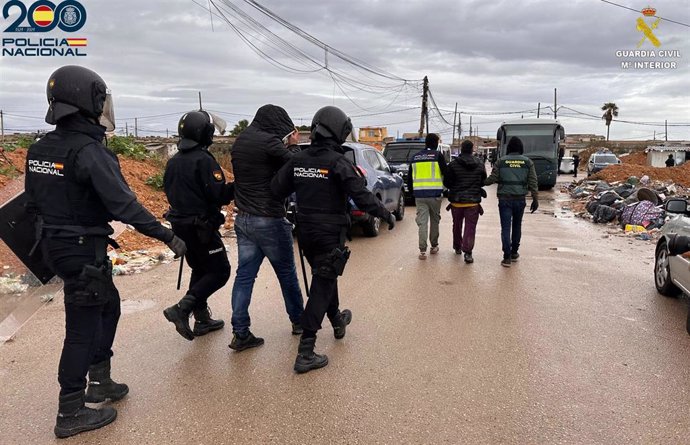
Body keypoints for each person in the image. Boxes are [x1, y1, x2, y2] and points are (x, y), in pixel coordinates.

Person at [24, 66, 187, 438]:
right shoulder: (88, 151)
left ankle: (100, 379)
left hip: (56, 245)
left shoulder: (40, 148)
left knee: (108, 306)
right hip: (81, 250)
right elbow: (124, 205)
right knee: (80, 328)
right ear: (87, 101)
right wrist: (166, 236)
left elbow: (32, 202)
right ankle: (70, 412)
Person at [271, 105, 395, 374]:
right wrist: (386, 214)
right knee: (322, 284)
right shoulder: (339, 162)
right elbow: (362, 196)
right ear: (338, 131)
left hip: (305, 233)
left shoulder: (298, 160)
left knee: (325, 277)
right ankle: (306, 350)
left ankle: (337, 319)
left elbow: (276, 188)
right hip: (329, 234)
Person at [229, 104, 304, 351]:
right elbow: (296, 164)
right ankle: (299, 322)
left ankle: (240, 332)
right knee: (286, 274)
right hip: (269, 219)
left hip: (243, 219)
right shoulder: (270, 142)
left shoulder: (240, 141)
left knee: (244, 276)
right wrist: (292, 143)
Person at [162, 111, 234, 340]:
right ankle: (182, 309)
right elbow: (219, 195)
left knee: (201, 269)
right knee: (220, 271)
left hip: (180, 227)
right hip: (200, 228)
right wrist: (238, 185)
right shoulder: (204, 160)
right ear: (205, 133)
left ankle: (201, 319)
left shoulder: (174, 161)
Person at [484, 136, 538, 267]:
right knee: (517, 226)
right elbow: (533, 182)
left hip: (504, 199)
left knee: (506, 227)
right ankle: (514, 252)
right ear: (521, 148)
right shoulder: (528, 162)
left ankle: (506, 257)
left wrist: (480, 182)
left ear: (508, 148)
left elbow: (492, 178)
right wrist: (535, 199)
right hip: (520, 199)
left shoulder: (501, 161)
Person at [443, 140, 487, 263]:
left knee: (456, 225)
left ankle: (457, 246)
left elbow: (446, 183)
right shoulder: (480, 163)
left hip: (456, 202)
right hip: (473, 202)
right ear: (472, 149)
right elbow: (483, 181)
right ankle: (468, 253)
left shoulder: (452, 165)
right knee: (470, 227)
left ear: (461, 149)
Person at [407, 133, 447, 259]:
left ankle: (422, 251)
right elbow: (446, 173)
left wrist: (413, 192)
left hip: (419, 195)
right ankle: (434, 246)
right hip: (435, 195)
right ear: (435, 143)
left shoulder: (415, 157)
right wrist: (446, 189)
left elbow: (409, 179)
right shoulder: (438, 156)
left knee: (422, 222)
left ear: (426, 143)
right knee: (435, 220)